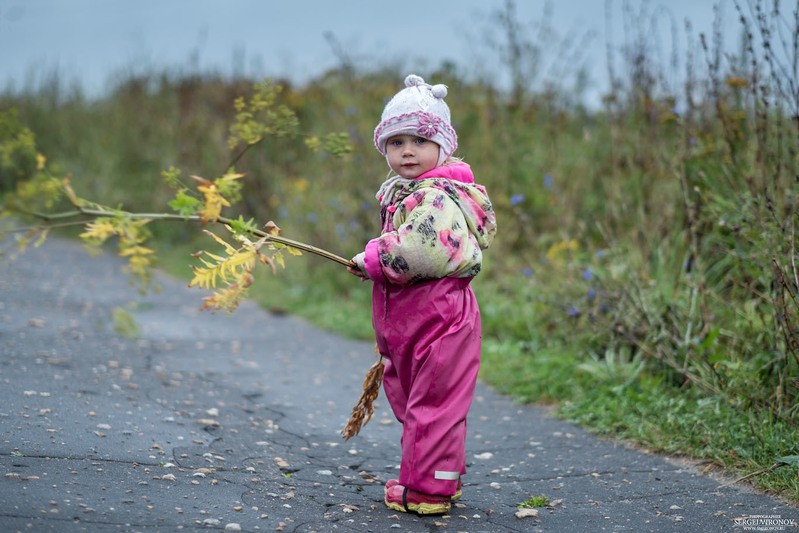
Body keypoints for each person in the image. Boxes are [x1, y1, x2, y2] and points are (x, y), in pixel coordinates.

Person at [349, 74, 497, 515]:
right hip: (418, 319)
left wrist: (375, 258)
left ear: (443, 146)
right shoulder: (409, 193)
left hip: (440, 319)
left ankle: (428, 490)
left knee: (432, 403)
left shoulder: (435, 197)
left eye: (419, 139)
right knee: (421, 401)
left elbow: (422, 250)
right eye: (395, 142)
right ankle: (438, 478)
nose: (407, 150)